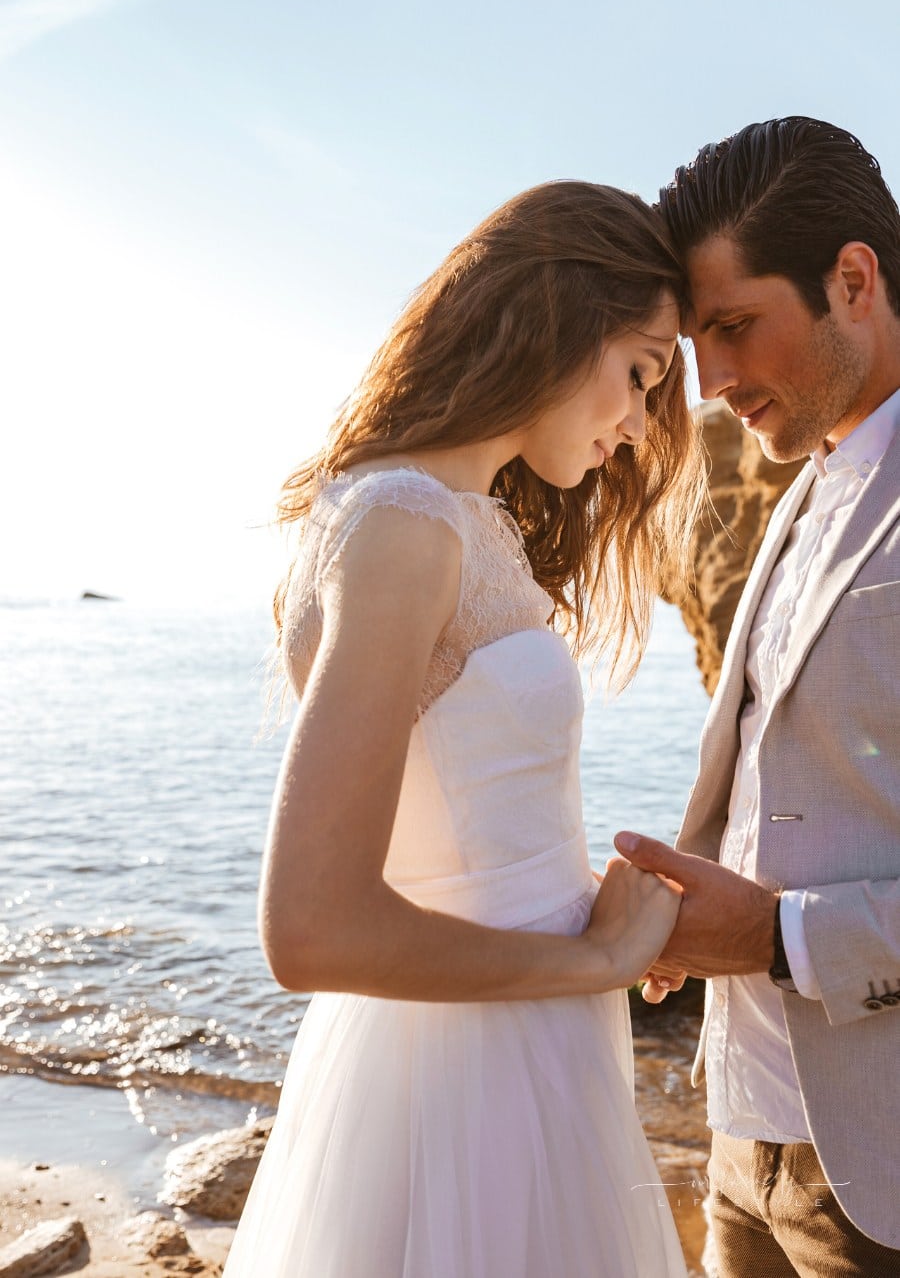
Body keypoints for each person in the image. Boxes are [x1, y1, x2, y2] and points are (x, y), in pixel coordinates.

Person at [222, 181, 706, 1277]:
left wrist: (609, 919)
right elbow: (311, 927)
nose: (637, 426)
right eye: (639, 372)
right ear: (557, 313)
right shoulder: (403, 528)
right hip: (473, 1085)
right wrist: (593, 958)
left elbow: (466, 835)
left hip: (514, 1048)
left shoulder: (448, 519)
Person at [615, 118, 900, 1276]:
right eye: (696, 343)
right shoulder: (806, 487)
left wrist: (777, 935)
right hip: (744, 1133)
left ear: (853, 278)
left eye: (734, 328)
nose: (715, 381)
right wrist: (678, 902)